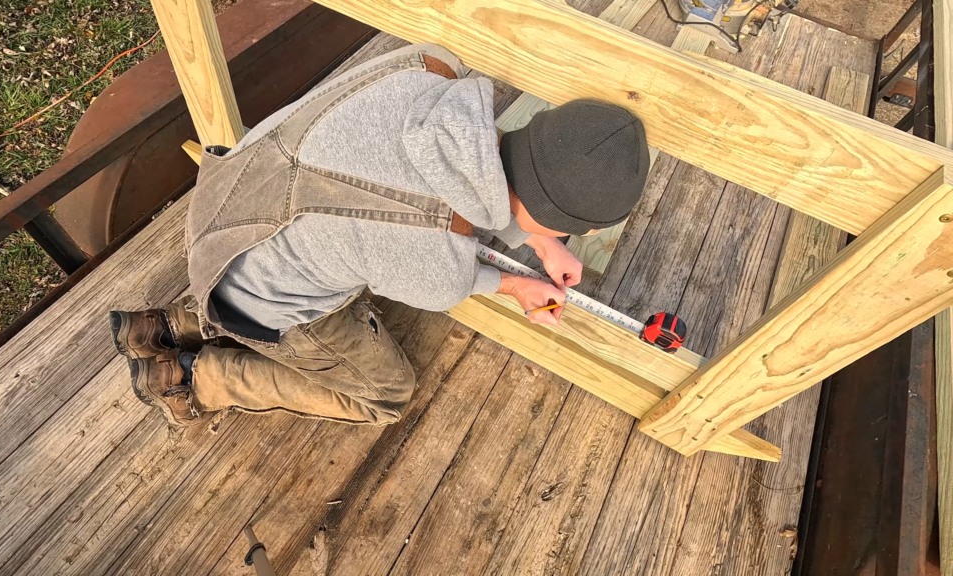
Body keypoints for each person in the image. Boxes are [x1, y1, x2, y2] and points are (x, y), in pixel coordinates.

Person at [109, 44, 649, 429]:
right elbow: (453, 275)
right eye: (565, 229)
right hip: (257, 291)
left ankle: (166, 323)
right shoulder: (435, 256)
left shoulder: (433, 68)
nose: (563, 237)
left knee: (318, 252)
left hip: (228, 207)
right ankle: (196, 377)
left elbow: (488, 177)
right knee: (387, 398)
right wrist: (515, 287)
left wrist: (541, 242)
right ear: (551, 210)